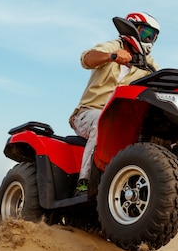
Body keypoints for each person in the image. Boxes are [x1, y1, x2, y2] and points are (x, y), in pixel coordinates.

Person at [69, 12, 161, 197]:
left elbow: (160, 79)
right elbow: (87, 59)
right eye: (145, 34)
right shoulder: (113, 47)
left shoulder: (147, 63)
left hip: (122, 122)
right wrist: (112, 56)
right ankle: (84, 183)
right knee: (101, 122)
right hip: (89, 113)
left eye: (152, 36)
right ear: (132, 29)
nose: (148, 40)